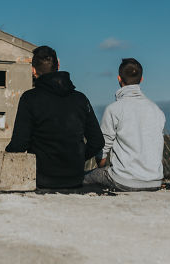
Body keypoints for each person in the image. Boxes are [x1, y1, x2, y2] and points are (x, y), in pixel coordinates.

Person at [6, 45, 104, 189]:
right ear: (58, 65)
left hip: (42, 180)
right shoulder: (81, 99)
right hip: (75, 179)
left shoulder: (29, 99)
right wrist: (77, 158)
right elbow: (97, 141)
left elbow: (19, 144)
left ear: (33, 70)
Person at [83, 58, 165, 191]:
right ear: (141, 79)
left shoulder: (114, 109)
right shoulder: (156, 111)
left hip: (124, 180)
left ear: (119, 78)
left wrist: (101, 167)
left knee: (81, 178)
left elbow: (102, 148)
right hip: (154, 182)